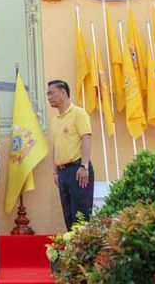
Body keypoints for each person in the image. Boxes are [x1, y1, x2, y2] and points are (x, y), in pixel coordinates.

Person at [47, 79, 94, 232]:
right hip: (63, 173)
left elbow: (86, 138)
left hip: (78, 169)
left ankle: (85, 253)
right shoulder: (54, 120)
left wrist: (84, 166)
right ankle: (73, 252)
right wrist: (55, 172)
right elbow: (55, 146)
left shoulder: (78, 113)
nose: (49, 97)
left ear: (63, 93)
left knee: (81, 217)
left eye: (51, 93)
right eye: (48, 94)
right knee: (68, 217)